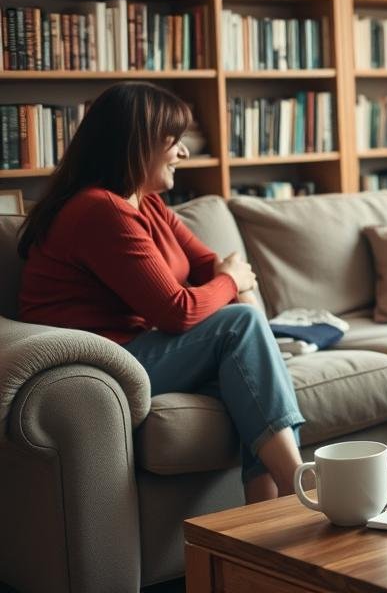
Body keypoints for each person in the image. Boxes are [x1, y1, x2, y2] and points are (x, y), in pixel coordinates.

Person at [17, 82, 304, 504]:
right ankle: (304, 485)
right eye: (175, 141)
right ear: (139, 144)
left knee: (249, 379)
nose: (184, 153)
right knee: (239, 327)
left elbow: (211, 264)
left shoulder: (145, 204)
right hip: (101, 367)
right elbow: (178, 311)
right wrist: (232, 284)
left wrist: (231, 281)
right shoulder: (100, 210)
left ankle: (264, 517)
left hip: (139, 349)